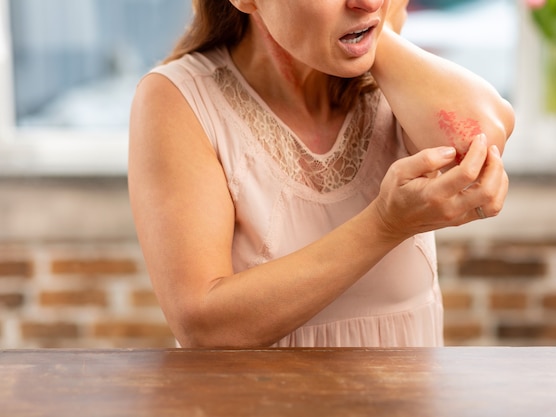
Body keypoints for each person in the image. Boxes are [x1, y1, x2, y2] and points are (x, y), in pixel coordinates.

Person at [128, 0, 515, 348]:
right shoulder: (177, 99)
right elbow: (203, 325)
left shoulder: (394, 85)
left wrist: (377, 34)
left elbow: (484, 136)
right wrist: (384, 225)